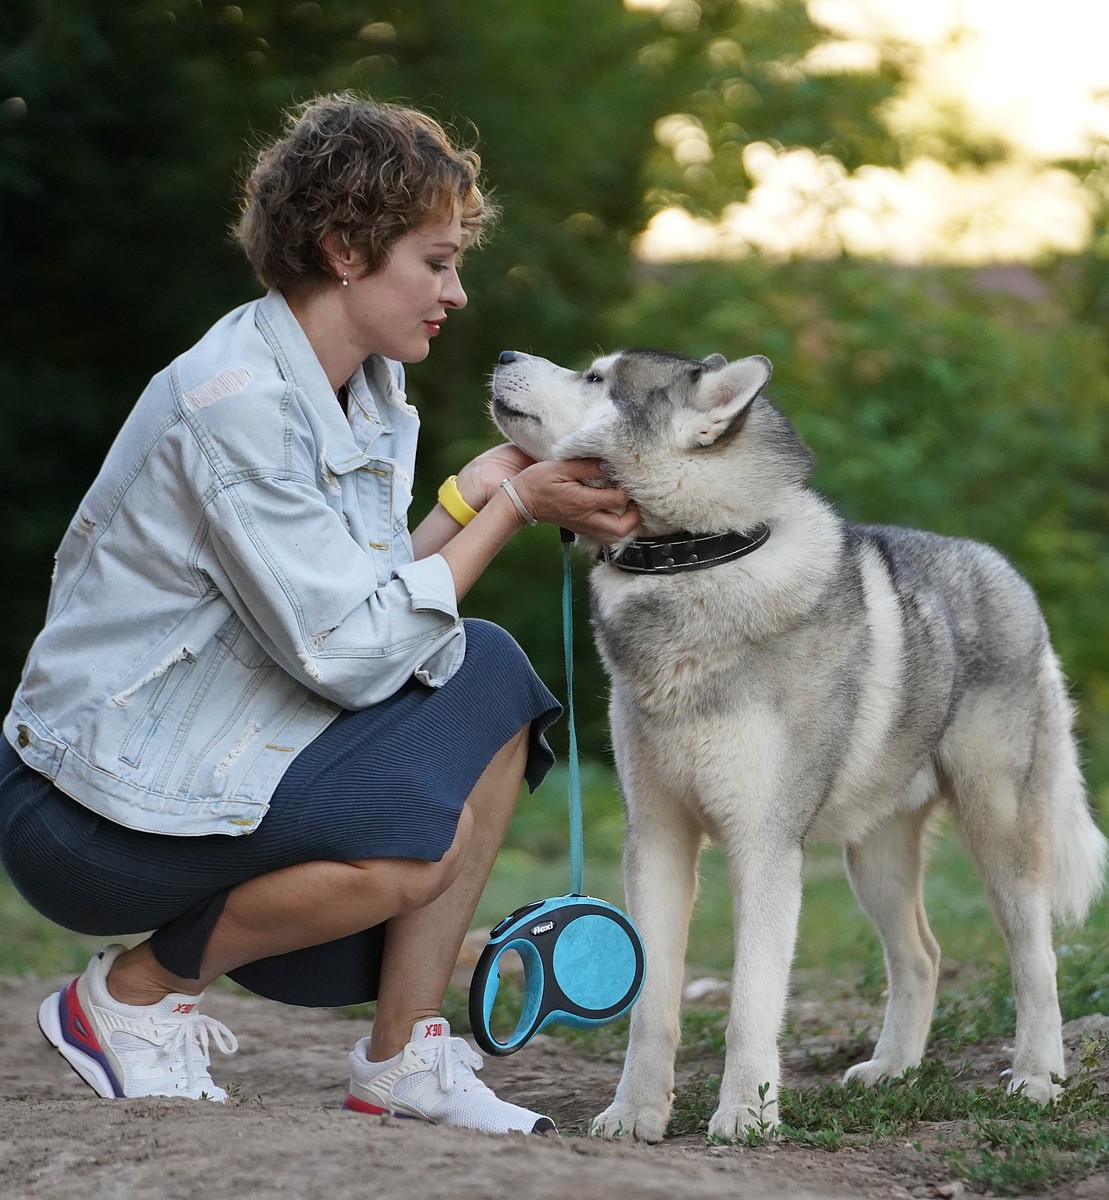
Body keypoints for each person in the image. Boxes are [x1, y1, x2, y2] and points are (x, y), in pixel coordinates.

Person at [0, 92, 637, 1134]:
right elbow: (348, 654)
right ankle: (129, 1000)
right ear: (345, 248)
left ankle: (403, 1058)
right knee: (409, 835)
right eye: (434, 262)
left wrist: (472, 498)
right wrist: (517, 505)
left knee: (490, 676)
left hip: (219, 768)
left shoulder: (369, 389)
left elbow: (364, 605)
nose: (457, 293)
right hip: (89, 814)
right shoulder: (237, 399)